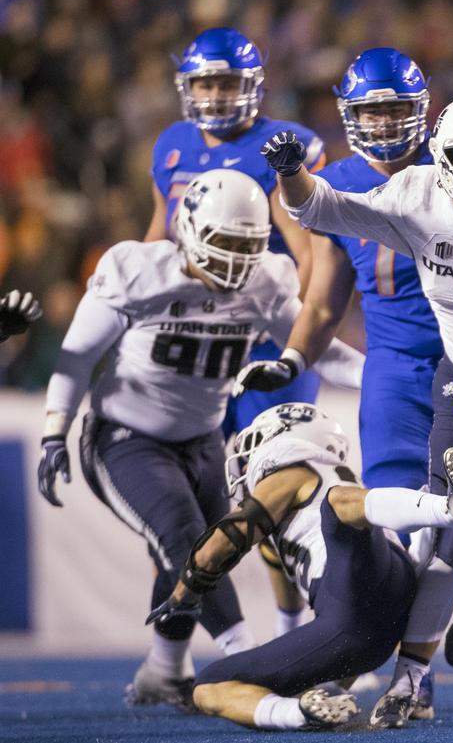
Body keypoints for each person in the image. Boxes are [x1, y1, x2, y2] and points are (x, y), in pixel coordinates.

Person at [236, 49, 453, 714]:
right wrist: (293, 359)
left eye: (396, 109)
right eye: (371, 111)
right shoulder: (340, 182)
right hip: (396, 369)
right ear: (349, 115)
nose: (384, 123)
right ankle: (415, 673)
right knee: (412, 519)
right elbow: (323, 300)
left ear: (424, 111)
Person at [35, 170, 362, 709]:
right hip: (125, 437)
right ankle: (250, 661)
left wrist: (384, 377)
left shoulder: (263, 283)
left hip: (204, 440)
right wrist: (55, 430)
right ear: (188, 229)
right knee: (187, 541)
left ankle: (164, 670)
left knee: (203, 548)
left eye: (248, 246)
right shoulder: (139, 272)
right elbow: (77, 356)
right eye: (224, 242)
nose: (236, 259)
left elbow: (316, 348)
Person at [146, 403, 453, 731]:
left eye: (252, 446)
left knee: (336, 507)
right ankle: (301, 712)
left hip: (356, 607)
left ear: (282, 434)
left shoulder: (293, 473)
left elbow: (225, 540)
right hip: (365, 627)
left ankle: (449, 509)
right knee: (207, 687)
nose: (246, 462)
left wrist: (184, 593)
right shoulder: (322, 489)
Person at [145, 27, 327, 439]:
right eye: (205, 84)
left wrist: (281, 326)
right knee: (193, 458)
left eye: (227, 84)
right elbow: (160, 235)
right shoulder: (173, 143)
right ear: (187, 87)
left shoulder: (279, 146)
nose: (216, 95)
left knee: (269, 457)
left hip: (264, 334)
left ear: (252, 86)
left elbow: (310, 256)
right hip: (193, 331)